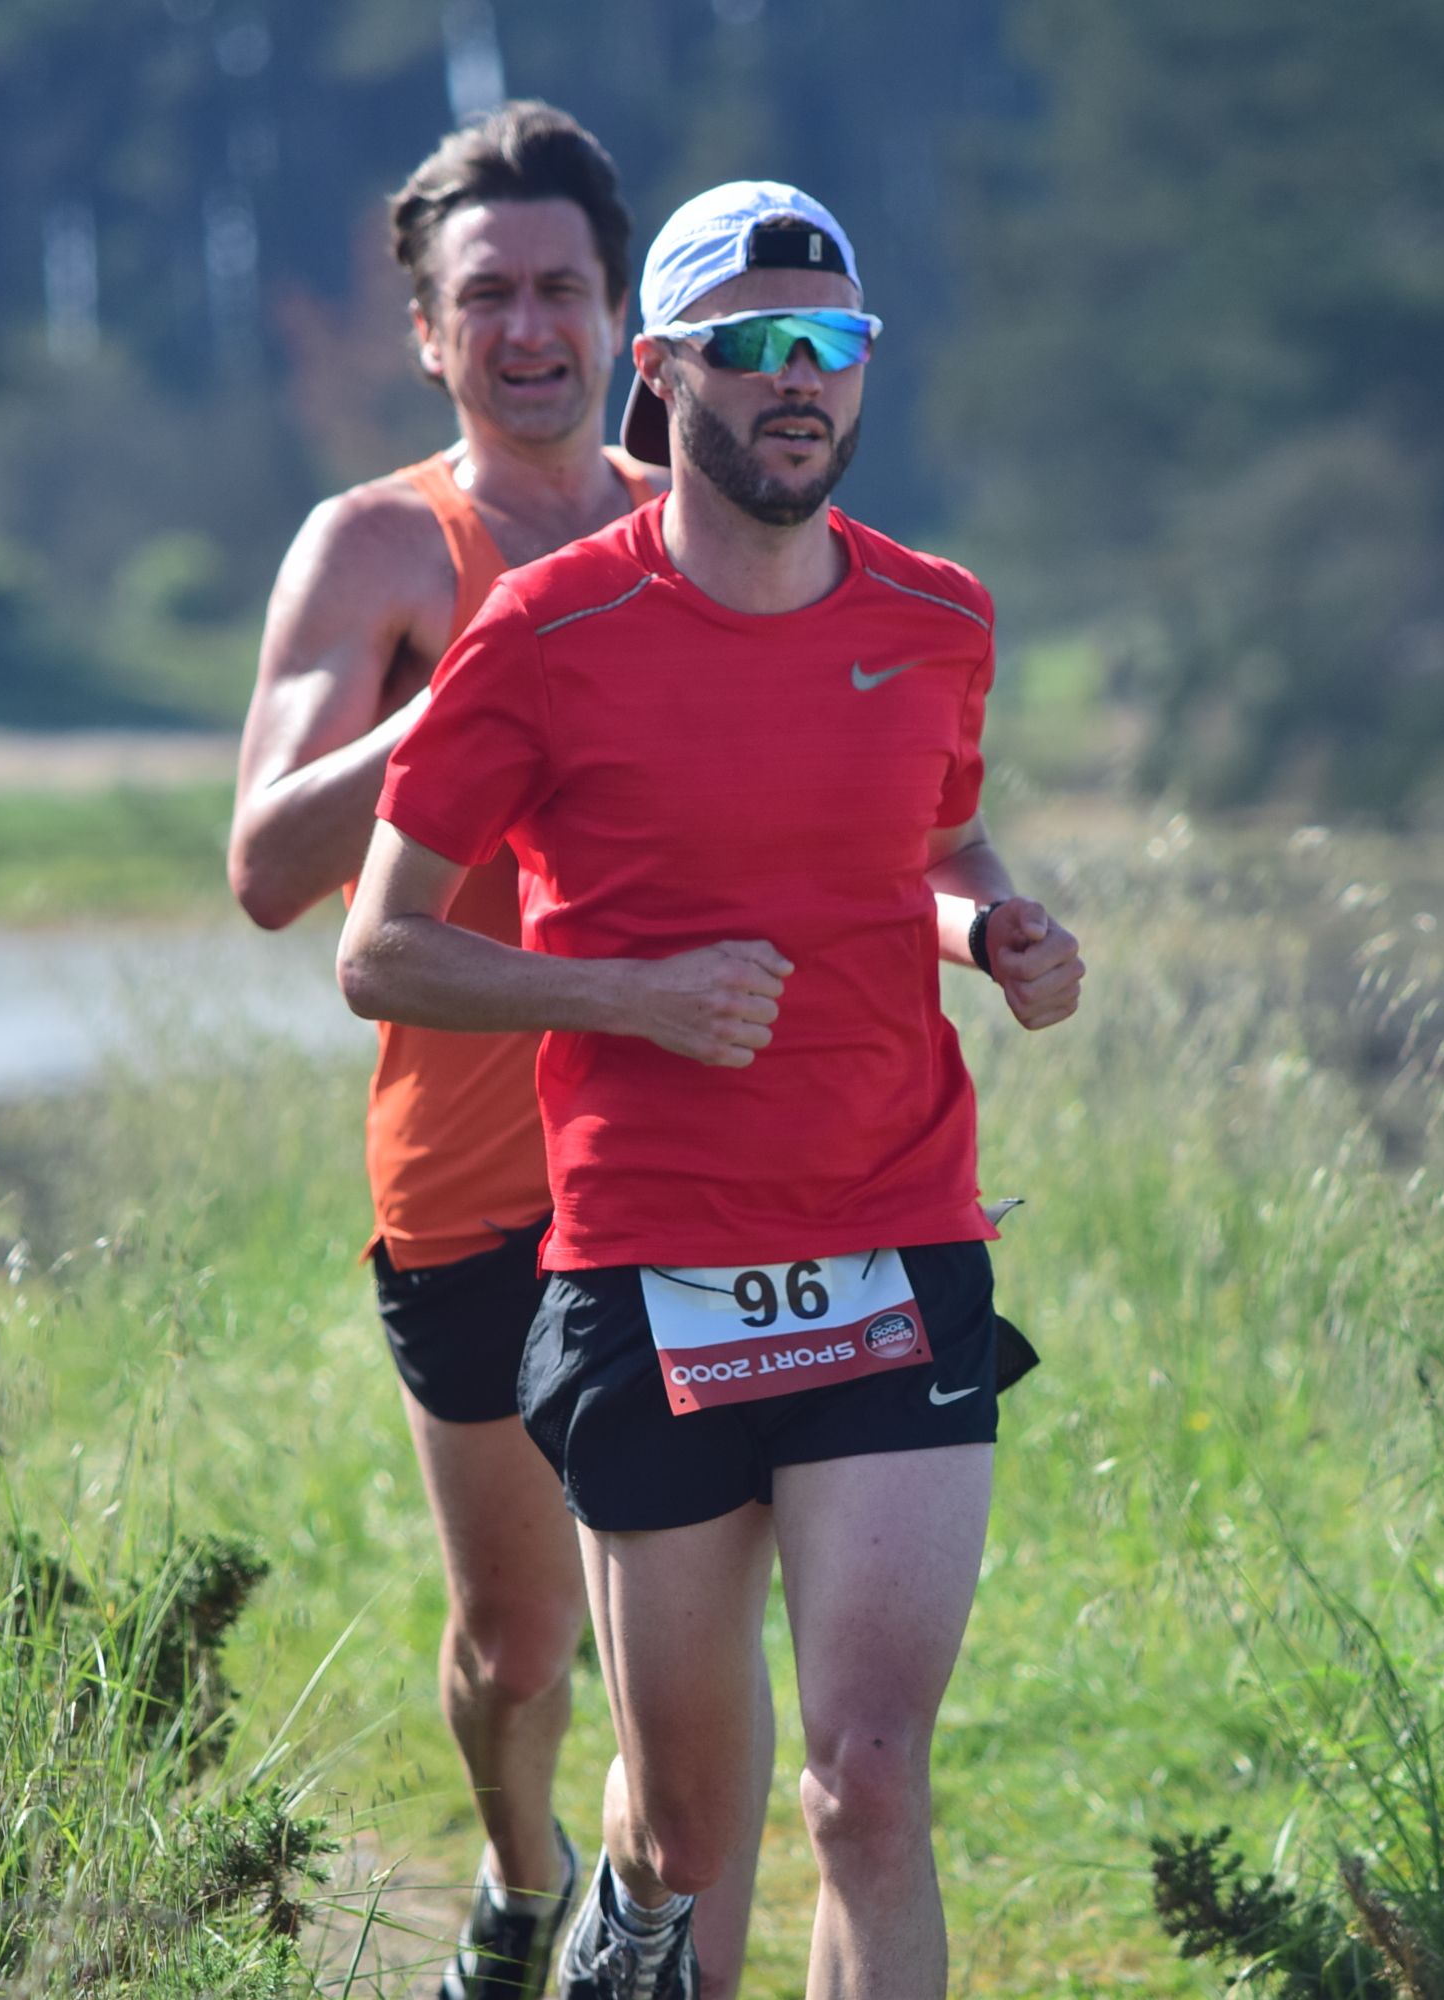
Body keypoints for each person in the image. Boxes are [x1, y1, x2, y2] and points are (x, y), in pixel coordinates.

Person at [340, 181, 1085, 2000]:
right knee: (685, 1827)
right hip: (650, 1268)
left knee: (868, 1788)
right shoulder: (546, 630)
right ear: (665, 373)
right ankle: (629, 1932)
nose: (796, 378)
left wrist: (992, 930)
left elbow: (935, 843)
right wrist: (630, 999)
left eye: (830, 344)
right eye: (752, 347)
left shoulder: (937, 616)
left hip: (895, 1235)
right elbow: (380, 951)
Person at [225, 105, 769, 2000]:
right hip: (468, 1180)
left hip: (682, 1160)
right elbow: (266, 868)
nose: (528, 327)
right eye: (486, 296)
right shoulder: (377, 546)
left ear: (625, 316)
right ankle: (522, 1878)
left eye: (560, 288)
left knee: (681, 1646)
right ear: (426, 332)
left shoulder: (694, 517)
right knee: (522, 1648)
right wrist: (480, 678)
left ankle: (657, 1943)